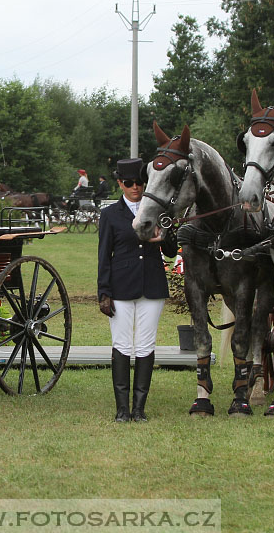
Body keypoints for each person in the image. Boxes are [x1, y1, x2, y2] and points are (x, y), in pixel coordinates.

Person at [97, 158, 177, 422]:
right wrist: (103, 292)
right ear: (120, 183)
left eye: (140, 183)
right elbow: (104, 256)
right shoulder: (110, 215)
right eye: (129, 183)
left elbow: (170, 251)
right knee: (121, 345)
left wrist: (164, 234)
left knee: (145, 345)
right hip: (120, 287)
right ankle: (122, 409)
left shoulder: (157, 209)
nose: (135, 188)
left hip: (151, 284)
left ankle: (139, 409)